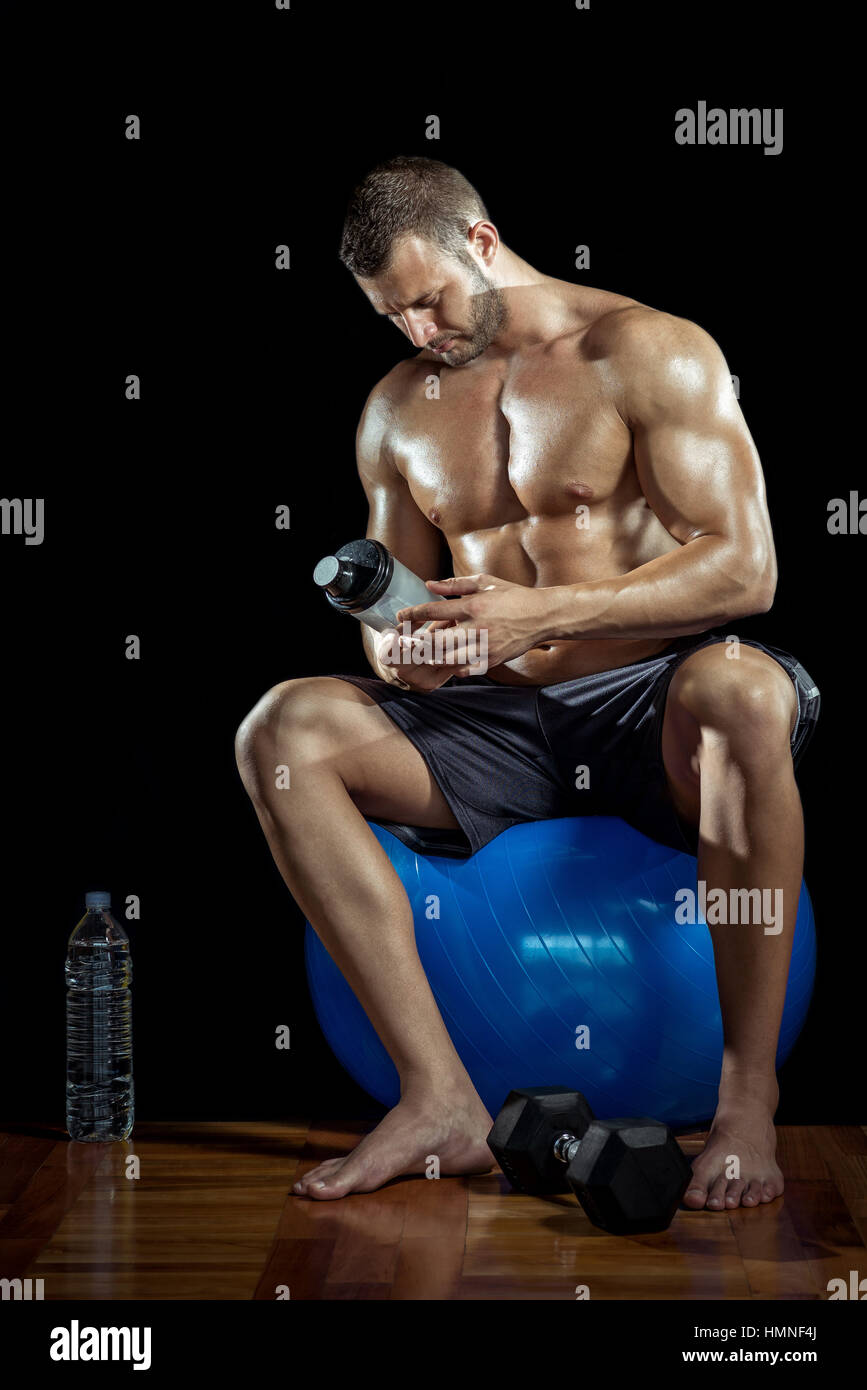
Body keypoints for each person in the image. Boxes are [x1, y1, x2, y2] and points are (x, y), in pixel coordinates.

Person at [235, 157, 819, 1210]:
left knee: (745, 691)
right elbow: (387, 610)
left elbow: (747, 567)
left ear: (485, 243)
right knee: (282, 730)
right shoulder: (395, 410)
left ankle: (744, 1100)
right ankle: (438, 1098)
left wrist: (541, 613)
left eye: (429, 298)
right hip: (491, 723)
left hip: (647, 703)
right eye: (389, 314)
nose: (418, 330)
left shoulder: (648, 350)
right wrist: (404, 647)